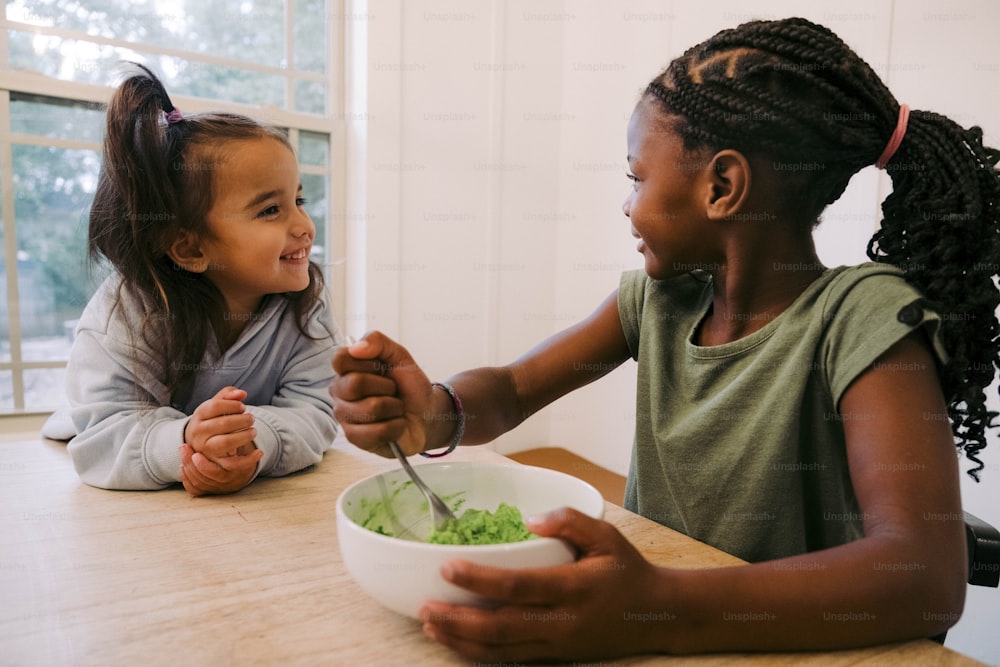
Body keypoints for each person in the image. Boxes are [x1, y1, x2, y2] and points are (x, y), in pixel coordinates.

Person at [330, 17, 1000, 661]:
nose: (627, 205)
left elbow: (925, 575)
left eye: (636, 177)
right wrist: (438, 410)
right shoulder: (659, 300)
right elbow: (511, 389)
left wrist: (657, 605)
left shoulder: (863, 318)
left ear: (722, 186)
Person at [41, 64, 341, 496]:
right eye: (270, 210)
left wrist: (252, 445)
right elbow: (104, 436)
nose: (305, 226)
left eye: (299, 199)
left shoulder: (305, 301)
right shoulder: (126, 314)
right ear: (191, 249)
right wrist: (184, 446)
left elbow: (316, 406)